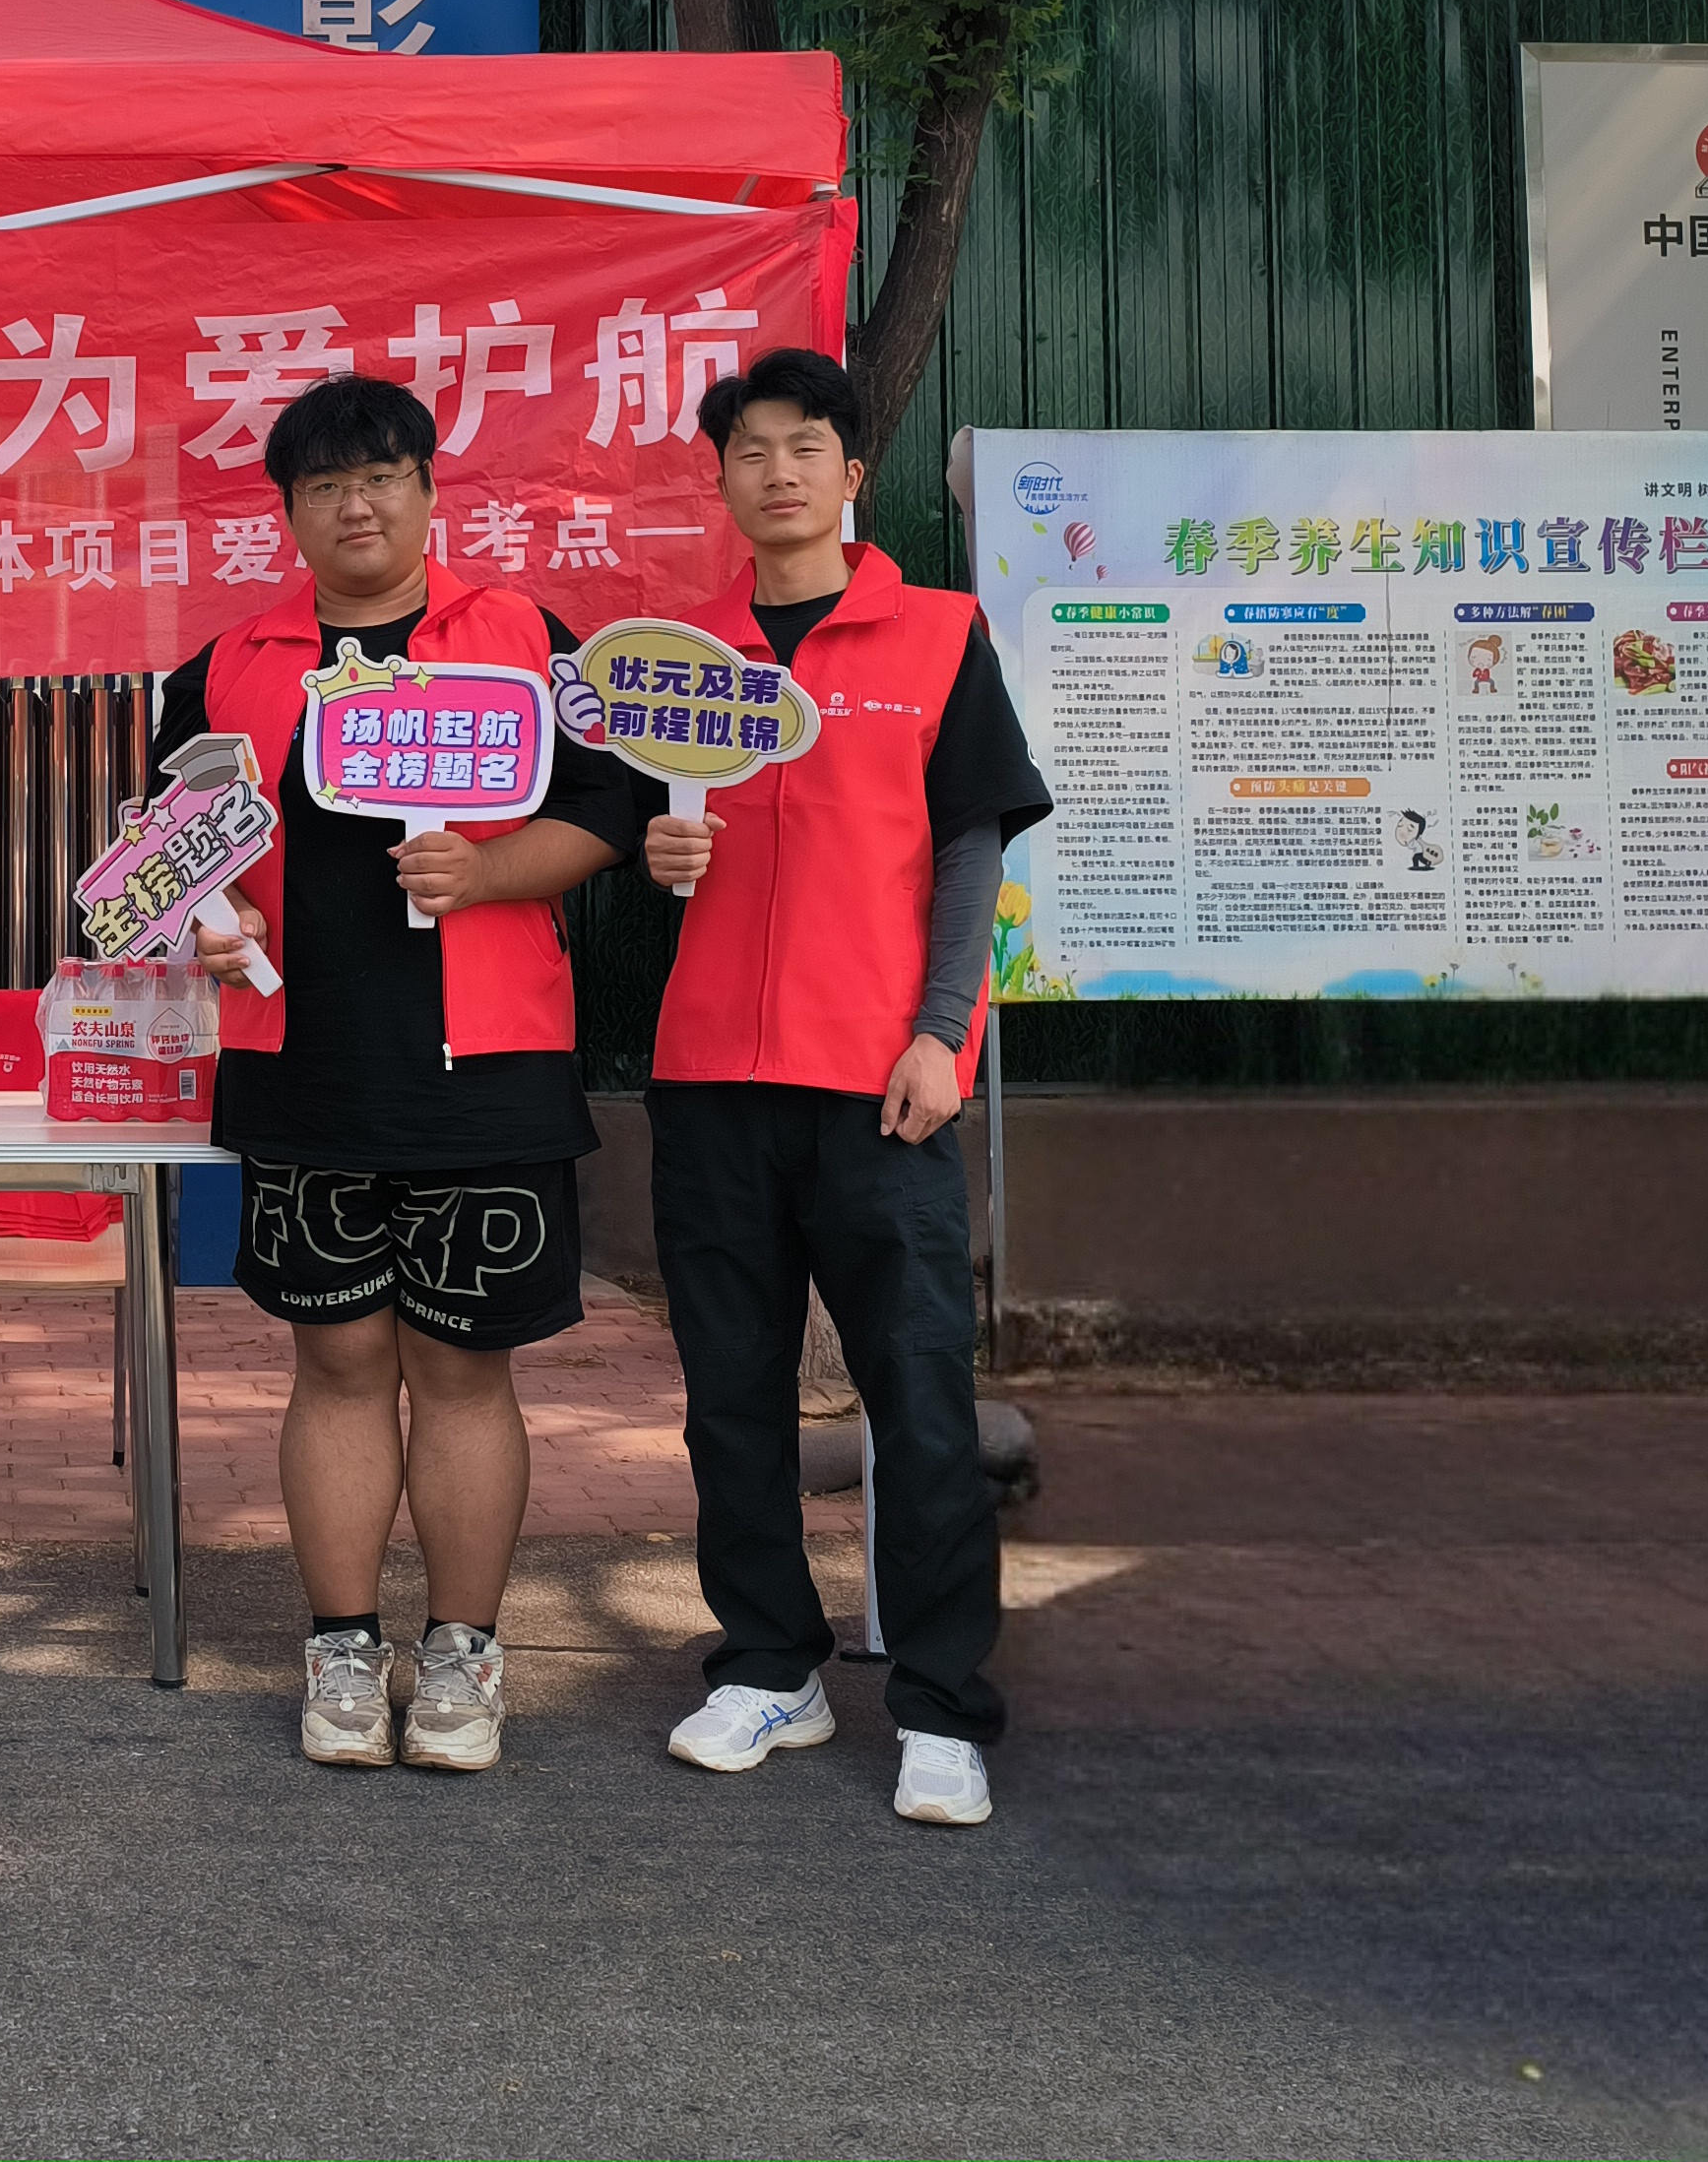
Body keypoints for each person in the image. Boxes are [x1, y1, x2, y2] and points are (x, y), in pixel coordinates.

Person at [605, 347, 1050, 1830]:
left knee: (918, 1396)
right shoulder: (683, 659)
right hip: (712, 1078)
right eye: (750, 450)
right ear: (722, 482)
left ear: (851, 474)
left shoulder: (935, 635)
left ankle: (938, 1705)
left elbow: (972, 849)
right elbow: (644, 837)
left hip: (879, 1080)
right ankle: (768, 1666)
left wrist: (943, 1033)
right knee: (728, 1398)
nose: (777, 471)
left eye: (805, 447)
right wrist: (662, 854)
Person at [166, 373, 618, 1772]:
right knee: (339, 1359)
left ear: (427, 491)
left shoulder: (524, 640)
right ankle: (344, 1652)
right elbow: (168, 856)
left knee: (463, 1366)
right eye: (323, 486)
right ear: (289, 514)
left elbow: (606, 805)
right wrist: (203, 923)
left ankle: (467, 1658)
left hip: (486, 1062)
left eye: (380, 477)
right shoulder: (228, 666)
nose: (354, 505)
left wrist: (488, 871)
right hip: (301, 1065)